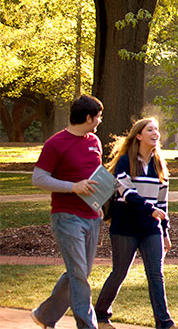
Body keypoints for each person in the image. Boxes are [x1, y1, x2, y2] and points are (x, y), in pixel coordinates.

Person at [94, 118, 178, 329]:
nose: (155, 133)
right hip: (125, 227)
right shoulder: (125, 162)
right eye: (150, 129)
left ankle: (164, 323)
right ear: (139, 135)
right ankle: (100, 314)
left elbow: (163, 202)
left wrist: (164, 231)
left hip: (150, 228)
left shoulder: (159, 165)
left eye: (157, 130)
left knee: (156, 273)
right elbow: (127, 193)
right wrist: (150, 210)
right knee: (120, 272)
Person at [30, 95, 104, 329]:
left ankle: (45, 314)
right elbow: (38, 178)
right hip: (66, 217)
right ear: (88, 117)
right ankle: (86, 325)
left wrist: (99, 202)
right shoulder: (56, 143)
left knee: (80, 272)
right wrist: (72, 187)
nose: (100, 121)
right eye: (98, 117)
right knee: (79, 273)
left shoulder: (94, 141)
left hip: (92, 216)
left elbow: (93, 177)